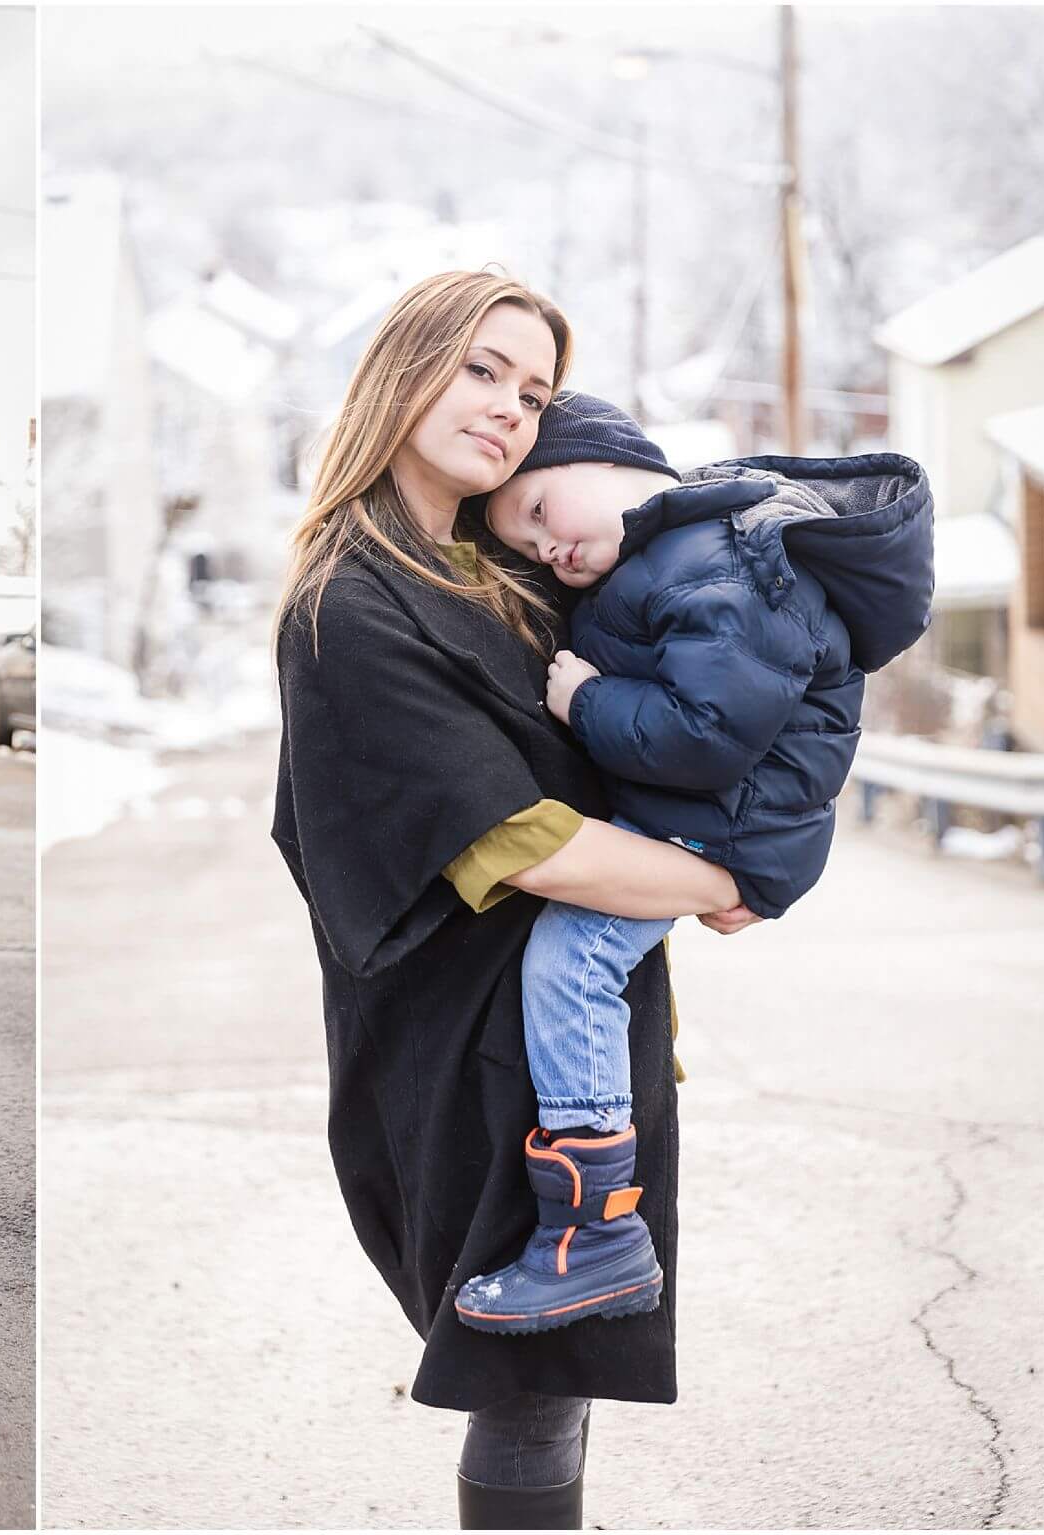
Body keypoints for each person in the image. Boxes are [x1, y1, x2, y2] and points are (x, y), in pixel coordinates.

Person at [270, 271, 752, 1529]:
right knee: (529, 1375)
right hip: (469, 1047)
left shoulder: (509, 565)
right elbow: (520, 844)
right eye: (480, 369)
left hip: (579, 1032)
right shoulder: (352, 601)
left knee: (564, 1370)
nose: (506, 408)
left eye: (532, 390)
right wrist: (726, 877)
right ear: (405, 365)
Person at [457, 396, 933, 1336]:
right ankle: (590, 1222)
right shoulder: (681, 551)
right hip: (714, 820)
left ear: (613, 459)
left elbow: (706, 735)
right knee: (576, 954)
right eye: (529, 548)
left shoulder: (723, 559)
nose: (549, 550)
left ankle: (593, 1234)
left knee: (573, 959)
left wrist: (586, 701)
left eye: (543, 513)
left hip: (724, 823)